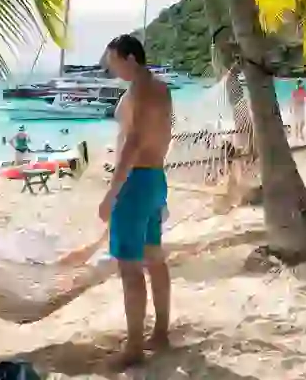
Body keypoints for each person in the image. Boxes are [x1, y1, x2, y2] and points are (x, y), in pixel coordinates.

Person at [98, 34, 173, 368]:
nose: (110, 67)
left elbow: (134, 141)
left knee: (130, 268)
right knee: (154, 258)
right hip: (155, 177)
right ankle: (159, 332)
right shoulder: (162, 88)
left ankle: (133, 348)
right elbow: (162, 136)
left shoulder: (139, 90)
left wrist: (112, 192)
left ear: (129, 58)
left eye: (113, 60)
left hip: (135, 181)